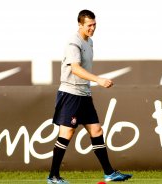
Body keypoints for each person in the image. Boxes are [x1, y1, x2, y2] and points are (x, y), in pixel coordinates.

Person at [47, 9, 132, 184]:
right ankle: (53, 176)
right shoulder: (73, 43)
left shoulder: (90, 42)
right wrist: (98, 80)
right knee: (67, 132)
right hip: (70, 93)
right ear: (80, 25)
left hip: (84, 94)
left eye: (95, 24)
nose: (92, 28)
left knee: (96, 130)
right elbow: (75, 68)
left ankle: (109, 173)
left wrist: (91, 84)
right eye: (89, 25)